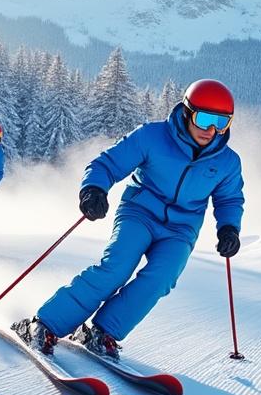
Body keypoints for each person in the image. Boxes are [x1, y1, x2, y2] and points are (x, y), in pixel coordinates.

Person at [13, 79, 244, 357]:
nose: (211, 130)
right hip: (139, 213)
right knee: (117, 268)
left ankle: (103, 331)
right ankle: (46, 324)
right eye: (204, 119)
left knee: (161, 278)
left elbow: (229, 199)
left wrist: (229, 228)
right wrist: (94, 189)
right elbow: (107, 164)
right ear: (187, 112)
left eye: (221, 123)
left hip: (181, 229)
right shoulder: (152, 136)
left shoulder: (227, 162)